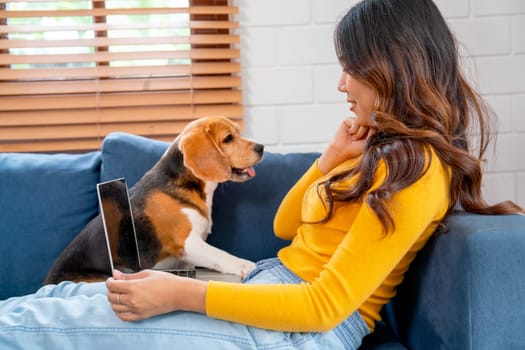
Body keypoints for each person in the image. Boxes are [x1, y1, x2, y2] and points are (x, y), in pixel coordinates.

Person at [1, 0, 523, 349]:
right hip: (274, 283)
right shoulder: (380, 153)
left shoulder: (416, 171)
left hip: (301, 331)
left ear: (395, 66)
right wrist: (330, 157)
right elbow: (284, 227)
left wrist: (178, 293)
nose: (342, 83)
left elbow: (322, 307)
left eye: (351, 67)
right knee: (63, 301)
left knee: (44, 329)